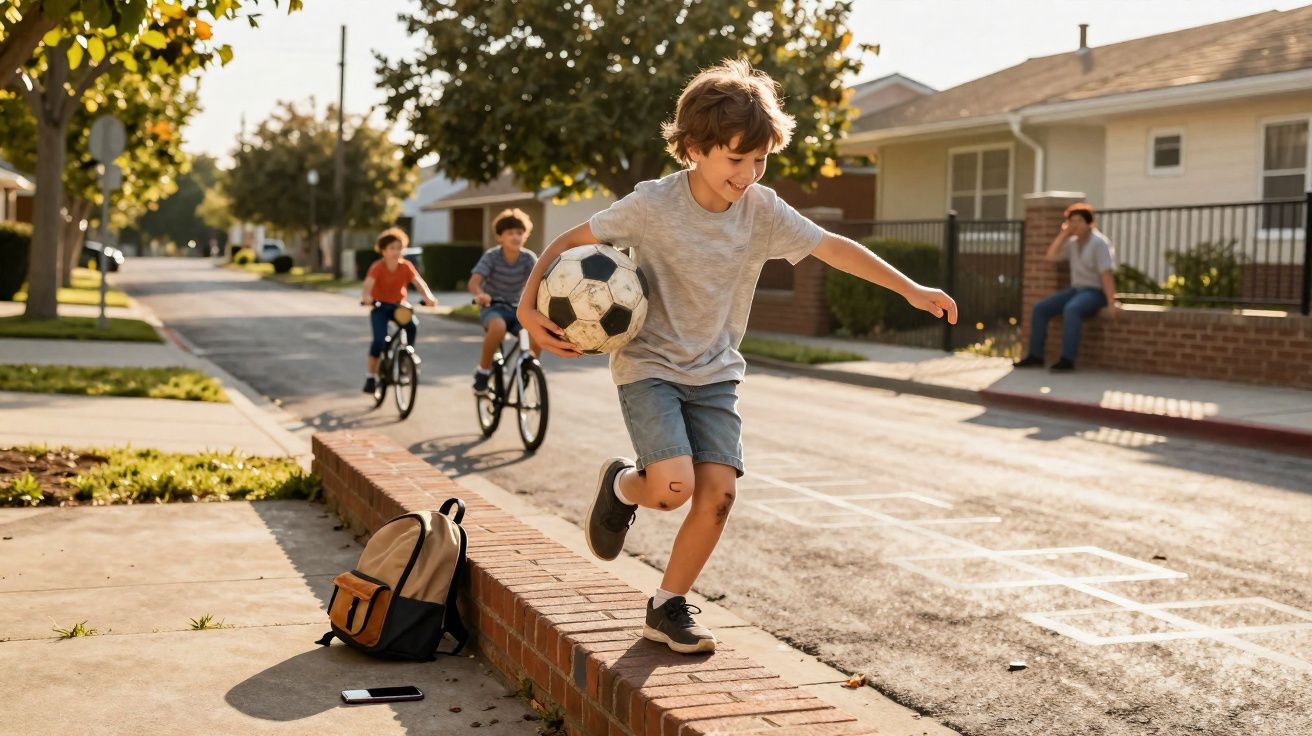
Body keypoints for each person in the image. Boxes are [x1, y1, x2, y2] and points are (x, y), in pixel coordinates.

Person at [515, 58, 957, 654]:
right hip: (649, 366)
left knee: (718, 494)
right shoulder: (651, 205)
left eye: (760, 160)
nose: (749, 173)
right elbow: (568, 242)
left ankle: (666, 605)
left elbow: (833, 248)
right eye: (735, 158)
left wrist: (910, 288)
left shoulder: (762, 211)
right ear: (694, 148)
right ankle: (623, 486)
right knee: (672, 488)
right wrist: (526, 309)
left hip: (716, 370)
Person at [1013, 203, 1120, 372]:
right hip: (1076, 290)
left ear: (1089, 223)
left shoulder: (1099, 243)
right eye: (1071, 221)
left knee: (1071, 309)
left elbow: (1106, 275)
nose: (1074, 225)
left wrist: (1111, 302)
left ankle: (1067, 360)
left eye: (1078, 221)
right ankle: (1035, 356)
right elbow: (1050, 256)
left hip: (1095, 292)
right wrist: (1063, 235)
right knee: (1040, 308)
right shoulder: (1072, 242)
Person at [470, 208, 540, 393]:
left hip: (517, 308)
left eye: (519, 233)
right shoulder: (492, 256)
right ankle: (483, 371)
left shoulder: (528, 258)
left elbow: (538, 283)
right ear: (500, 237)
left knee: (535, 331)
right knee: (498, 327)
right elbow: (474, 282)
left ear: (525, 236)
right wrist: (480, 294)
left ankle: (529, 369)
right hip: (493, 307)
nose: (515, 236)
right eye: (510, 233)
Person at [359, 227, 437, 394]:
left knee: (412, 325)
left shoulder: (406, 266)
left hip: (398, 306)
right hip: (380, 306)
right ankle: (371, 376)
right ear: (383, 250)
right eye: (392, 248)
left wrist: (429, 297)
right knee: (379, 341)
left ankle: (405, 360)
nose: (396, 251)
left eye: (399, 247)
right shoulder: (377, 267)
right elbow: (367, 286)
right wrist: (366, 297)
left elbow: (419, 283)